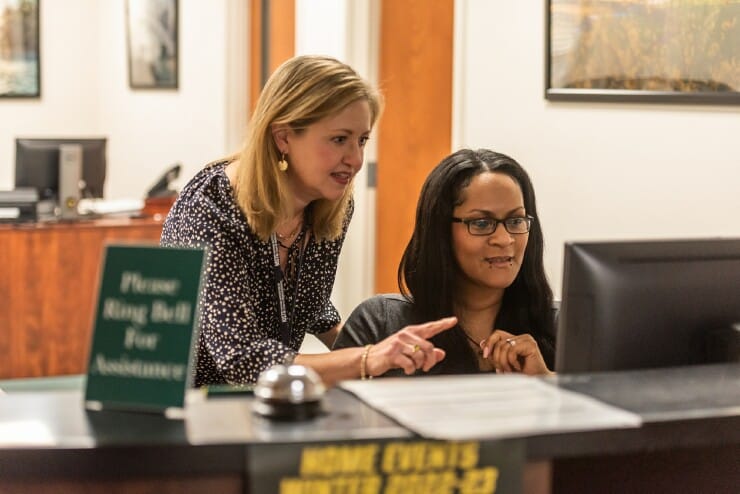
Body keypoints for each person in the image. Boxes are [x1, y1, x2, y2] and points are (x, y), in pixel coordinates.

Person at [161, 55, 455, 387]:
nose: (356, 160)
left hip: (273, 403)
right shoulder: (210, 208)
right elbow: (240, 359)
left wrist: (396, 358)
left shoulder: (331, 205)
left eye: (362, 140)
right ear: (283, 137)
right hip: (193, 412)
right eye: (339, 139)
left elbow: (309, 304)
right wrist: (367, 358)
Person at [333, 148, 556, 377]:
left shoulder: (562, 327)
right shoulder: (381, 322)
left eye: (516, 220)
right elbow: (328, 409)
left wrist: (546, 380)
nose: (504, 239)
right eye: (481, 223)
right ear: (440, 231)